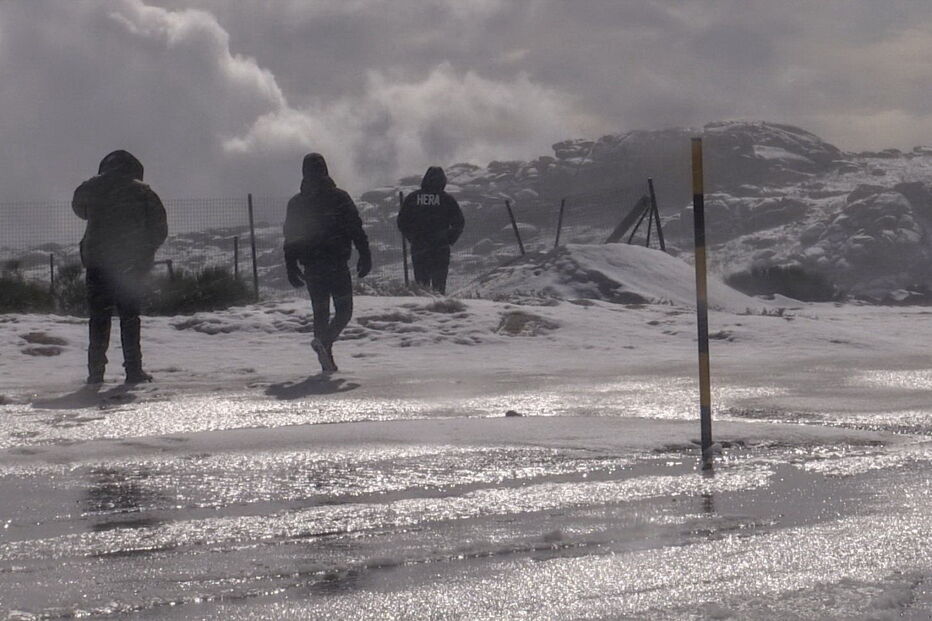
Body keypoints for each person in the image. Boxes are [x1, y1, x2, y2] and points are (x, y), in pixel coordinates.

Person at [72, 150, 168, 385]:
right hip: (130, 264)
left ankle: (95, 374)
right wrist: (145, 252)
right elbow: (159, 227)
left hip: (98, 263)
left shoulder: (90, 187)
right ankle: (133, 371)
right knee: (129, 318)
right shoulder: (143, 191)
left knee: (98, 319)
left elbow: (79, 210)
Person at [284, 153, 371, 374]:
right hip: (335, 265)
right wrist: (364, 253)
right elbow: (355, 227)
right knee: (344, 311)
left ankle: (326, 354)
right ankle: (326, 344)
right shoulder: (339, 197)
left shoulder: (297, 203)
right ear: (325, 169)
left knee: (320, 312)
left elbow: (291, 237)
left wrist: (291, 265)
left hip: (312, 267)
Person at [397, 166, 465, 295]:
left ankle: (423, 311)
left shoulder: (413, 198)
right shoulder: (447, 199)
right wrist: (449, 239)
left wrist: (412, 238)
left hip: (419, 247)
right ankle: (438, 310)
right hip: (440, 248)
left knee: (422, 286)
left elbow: (402, 221)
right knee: (439, 287)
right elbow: (459, 223)